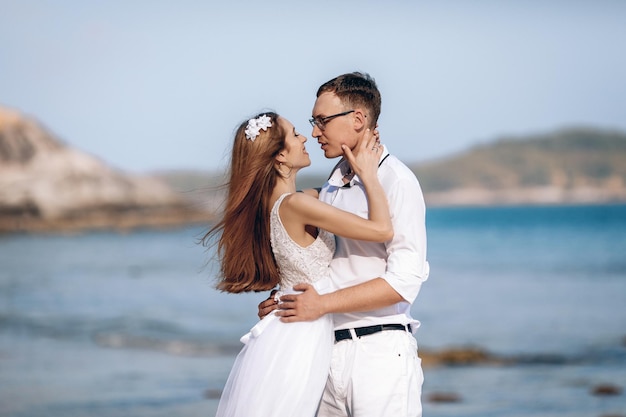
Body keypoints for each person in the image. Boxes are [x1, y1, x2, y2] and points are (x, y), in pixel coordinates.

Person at [258, 72, 430, 417]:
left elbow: (404, 281)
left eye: (322, 121)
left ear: (358, 119)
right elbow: (325, 262)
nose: (315, 132)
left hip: (377, 354)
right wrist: (286, 299)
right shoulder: (333, 184)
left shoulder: (396, 180)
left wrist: (319, 304)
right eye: (312, 122)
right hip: (322, 351)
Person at [203, 111, 393, 417]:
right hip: (301, 335)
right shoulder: (297, 205)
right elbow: (382, 230)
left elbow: (331, 192)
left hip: (290, 327)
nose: (305, 137)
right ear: (279, 156)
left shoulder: (279, 204)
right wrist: (370, 175)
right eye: (294, 134)